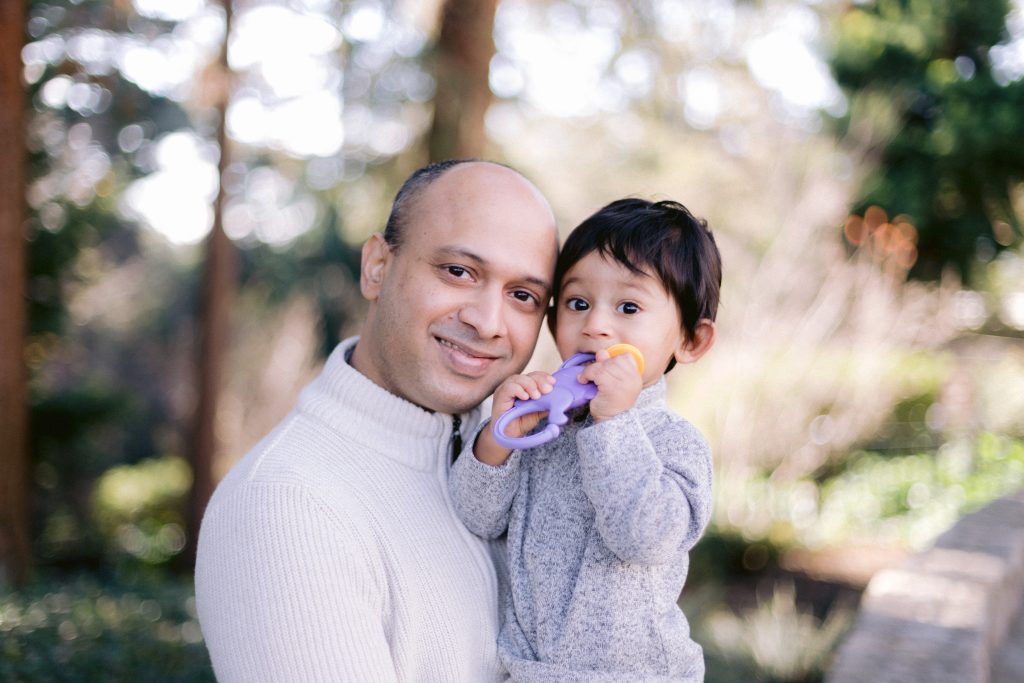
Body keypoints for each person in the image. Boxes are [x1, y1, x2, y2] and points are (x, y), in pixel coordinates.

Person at [194, 159, 560, 682]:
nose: (487, 322)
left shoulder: (527, 464)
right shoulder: (285, 503)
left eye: (523, 296)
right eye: (458, 271)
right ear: (377, 267)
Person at [449, 197, 721, 682]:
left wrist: (613, 424)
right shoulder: (540, 423)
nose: (595, 325)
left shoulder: (675, 443)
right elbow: (478, 517)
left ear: (690, 340)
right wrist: (499, 437)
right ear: (555, 321)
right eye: (578, 304)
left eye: (629, 307)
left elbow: (645, 538)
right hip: (531, 672)